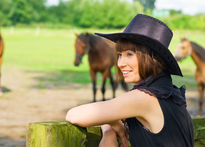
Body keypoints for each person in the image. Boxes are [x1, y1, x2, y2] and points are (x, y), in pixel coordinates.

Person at [66, 14, 194, 147]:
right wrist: (109, 126)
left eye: (129, 54)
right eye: (119, 55)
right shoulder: (170, 92)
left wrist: (109, 127)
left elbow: (73, 115)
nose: (120, 63)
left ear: (153, 58)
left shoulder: (144, 97)